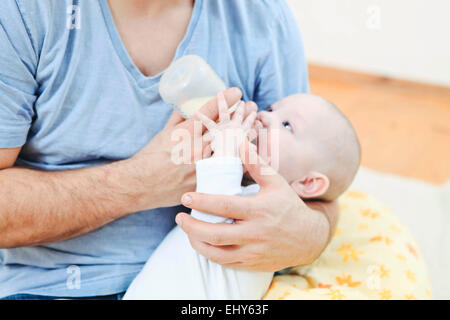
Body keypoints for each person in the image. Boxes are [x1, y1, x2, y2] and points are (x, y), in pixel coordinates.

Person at [0, 0, 337, 299]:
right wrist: (143, 182)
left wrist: (310, 234)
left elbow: (319, 179)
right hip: (54, 287)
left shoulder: (262, 16)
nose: (265, 117)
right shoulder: (24, 13)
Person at [123, 92, 360, 299]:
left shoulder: (268, 216)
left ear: (308, 183)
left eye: (287, 125)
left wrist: (225, 148)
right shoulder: (248, 192)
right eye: (271, 109)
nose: (264, 116)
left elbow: (212, 220)